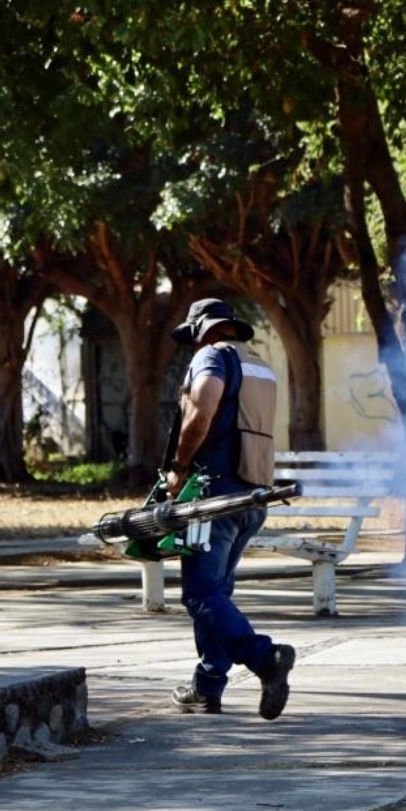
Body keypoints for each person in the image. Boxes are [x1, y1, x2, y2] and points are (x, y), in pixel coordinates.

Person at [164, 297, 295, 719]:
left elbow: (201, 412)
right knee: (217, 594)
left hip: (214, 497)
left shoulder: (212, 356)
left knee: (201, 595)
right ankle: (206, 687)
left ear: (204, 328)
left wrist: (180, 467)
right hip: (252, 495)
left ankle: (264, 658)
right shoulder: (259, 364)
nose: (193, 345)